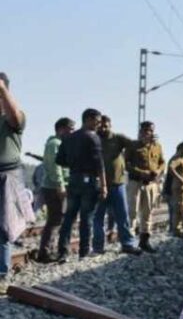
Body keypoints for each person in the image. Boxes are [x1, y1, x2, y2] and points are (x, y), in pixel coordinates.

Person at [56, 108, 107, 260]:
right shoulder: (93, 137)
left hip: (73, 179)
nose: (98, 125)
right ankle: (84, 252)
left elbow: (60, 160)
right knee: (86, 218)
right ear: (88, 120)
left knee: (69, 217)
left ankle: (62, 252)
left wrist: (75, 164)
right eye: (97, 121)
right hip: (88, 181)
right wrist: (104, 186)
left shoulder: (69, 138)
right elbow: (100, 164)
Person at [93, 115, 141, 256]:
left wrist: (143, 141)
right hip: (99, 185)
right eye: (100, 125)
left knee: (122, 216)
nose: (103, 127)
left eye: (106, 125)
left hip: (117, 184)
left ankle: (127, 244)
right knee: (98, 218)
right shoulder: (94, 139)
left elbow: (134, 145)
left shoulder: (118, 138)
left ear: (110, 125)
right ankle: (98, 247)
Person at [0, 72, 29, 284]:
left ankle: (1, 274)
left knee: (3, 228)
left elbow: (16, 118)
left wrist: (2, 89)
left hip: (7, 177)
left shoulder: (12, 119)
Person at [34, 117, 74, 263]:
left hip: (56, 186)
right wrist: (60, 185)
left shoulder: (60, 144)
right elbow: (55, 167)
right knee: (54, 220)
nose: (72, 131)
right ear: (61, 128)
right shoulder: (54, 144)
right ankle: (44, 253)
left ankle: (47, 251)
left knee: (56, 220)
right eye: (70, 128)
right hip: (54, 187)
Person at [126, 120, 165, 252]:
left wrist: (158, 172)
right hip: (135, 182)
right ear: (142, 131)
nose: (150, 133)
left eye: (152, 131)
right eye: (147, 130)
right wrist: (142, 173)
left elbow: (162, 162)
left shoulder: (157, 146)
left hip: (151, 184)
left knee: (148, 212)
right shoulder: (133, 145)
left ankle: (144, 240)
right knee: (132, 212)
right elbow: (127, 164)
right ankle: (129, 242)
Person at [168, 141, 183, 237]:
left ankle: (182, 228)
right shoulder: (177, 158)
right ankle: (177, 230)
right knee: (179, 209)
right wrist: (180, 178)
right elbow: (171, 167)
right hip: (180, 188)